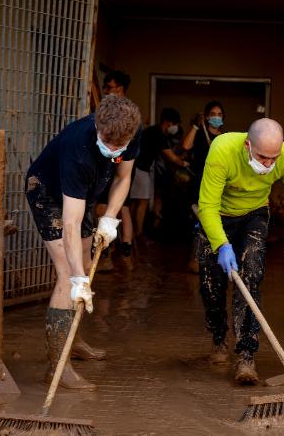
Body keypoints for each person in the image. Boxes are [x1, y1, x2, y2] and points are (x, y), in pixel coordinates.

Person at [25, 95, 141, 390]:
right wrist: (77, 278)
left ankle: (71, 339)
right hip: (48, 192)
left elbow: (123, 177)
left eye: (120, 146)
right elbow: (71, 222)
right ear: (98, 126)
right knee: (69, 275)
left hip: (85, 194)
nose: (113, 150)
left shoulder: (127, 134)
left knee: (87, 265)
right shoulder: (78, 147)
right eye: (108, 143)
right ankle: (57, 367)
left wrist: (111, 217)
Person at [196, 118, 284, 384]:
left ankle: (247, 354)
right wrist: (222, 244)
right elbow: (207, 206)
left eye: (274, 158)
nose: (269, 165)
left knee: (250, 278)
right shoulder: (222, 150)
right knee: (211, 285)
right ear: (248, 145)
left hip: (254, 215)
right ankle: (218, 336)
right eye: (263, 157)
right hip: (217, 214)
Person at [130, 107, 187, 242]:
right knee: (142, 202)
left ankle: (130, 232)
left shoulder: (153, 131)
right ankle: (138, 234)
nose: (175, 128)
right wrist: (183, 163)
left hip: (135, 167)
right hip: (140, 169)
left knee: (133, 202)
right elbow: (171, 157)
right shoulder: (158, 133)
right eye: (175, 124)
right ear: (168, 122)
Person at [102, 70, 141, 265]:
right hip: (115, 164)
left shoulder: (127, 114)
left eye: (109, 87)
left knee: (115, 204)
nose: (106, 91)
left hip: (121, 165)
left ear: (120, 88)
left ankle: (115, 249)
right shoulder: (113, 110)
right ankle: (121, 247)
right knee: (121, 206)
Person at [182, 100, 226, 272]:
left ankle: (211, 258)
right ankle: (195, 259)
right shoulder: (199, 133)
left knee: (214, 222)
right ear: (207, 117)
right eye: (213, 114)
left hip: (217, 184)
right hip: (200, 183)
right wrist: (195, 125)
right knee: (200, 221)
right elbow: (186, 146)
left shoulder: (223, 137)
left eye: (219, 114)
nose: (216, 117)